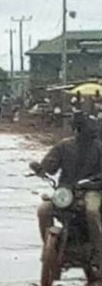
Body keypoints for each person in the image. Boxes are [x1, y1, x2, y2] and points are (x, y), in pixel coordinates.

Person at [31, 111, 102, 274]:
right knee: (44, 210)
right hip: (66, 193)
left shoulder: (99, 148)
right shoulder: (64, 146)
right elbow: (50, 166)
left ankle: (99, 253)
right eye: (80, 128)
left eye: (85, 128)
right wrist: (40, 169)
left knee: (91, 212)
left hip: (92, 191)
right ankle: (49, 250)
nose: (83, 132)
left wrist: (93, 182)